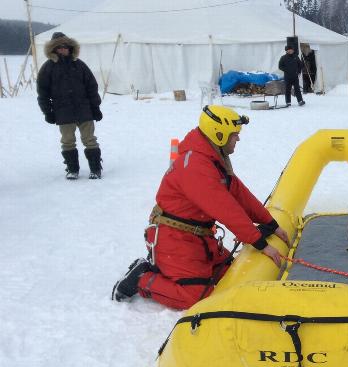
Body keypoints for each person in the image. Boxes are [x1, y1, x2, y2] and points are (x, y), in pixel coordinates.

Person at [112, 105, 290, 309]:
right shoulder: (196, 166)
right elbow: (226, 209)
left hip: (198, 238)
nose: (238, 139)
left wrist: (271, 223)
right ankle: (141, 279)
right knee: (196, 296)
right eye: (235, 135)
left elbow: (239, 194)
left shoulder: (211, 158)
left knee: (228, 272)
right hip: (176, 240)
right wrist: (261, 243)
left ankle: (166, 269)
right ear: (219, 135)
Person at [37, 32, 103, 180]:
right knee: (67, 141)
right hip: (63, 112)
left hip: (84, 110)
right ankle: (72, 169)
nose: (63, 50)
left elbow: (91, 87)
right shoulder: (48, 68)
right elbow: (43, 92)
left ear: (70, 48)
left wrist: (95, 107)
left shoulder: (79, 65)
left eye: (65, 47)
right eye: (59, 47)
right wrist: (48, 111)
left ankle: (95, 169)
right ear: (53, 49)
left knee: (89, 139)